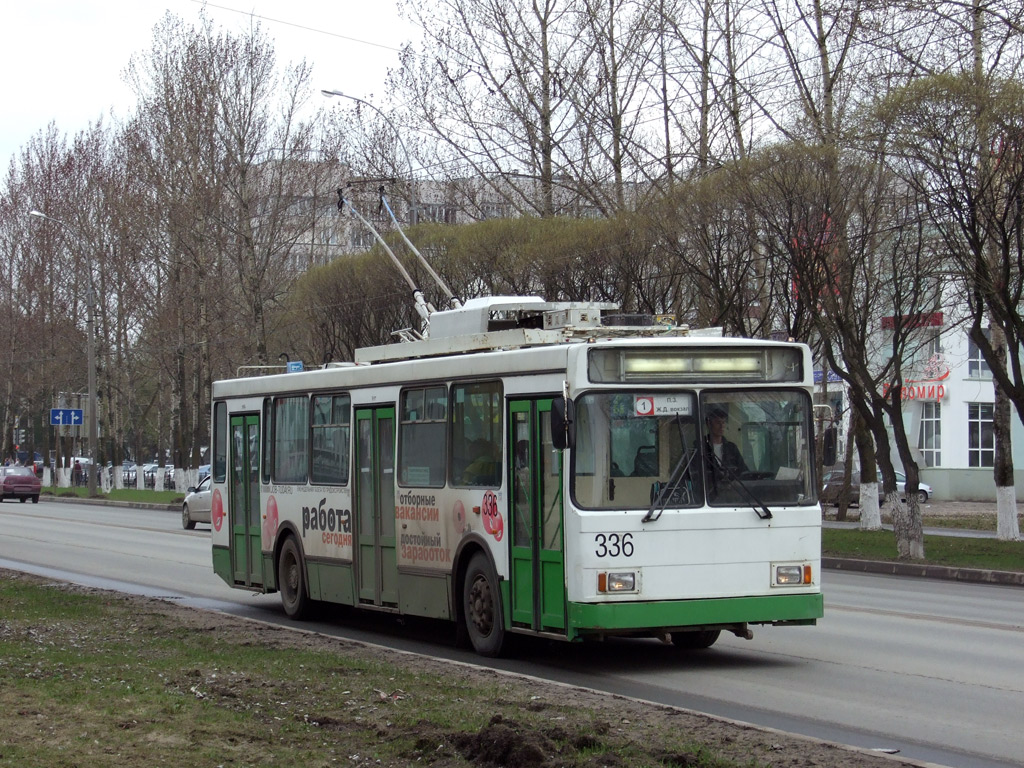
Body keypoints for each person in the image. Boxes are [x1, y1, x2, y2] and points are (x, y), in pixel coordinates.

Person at [704, 407, 747, 480]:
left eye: (723, 422)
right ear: (709, 424)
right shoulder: (701, 448)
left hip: (733, 490)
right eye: (718, 422)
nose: (722, 426)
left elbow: (744, 472)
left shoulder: (732, 448)